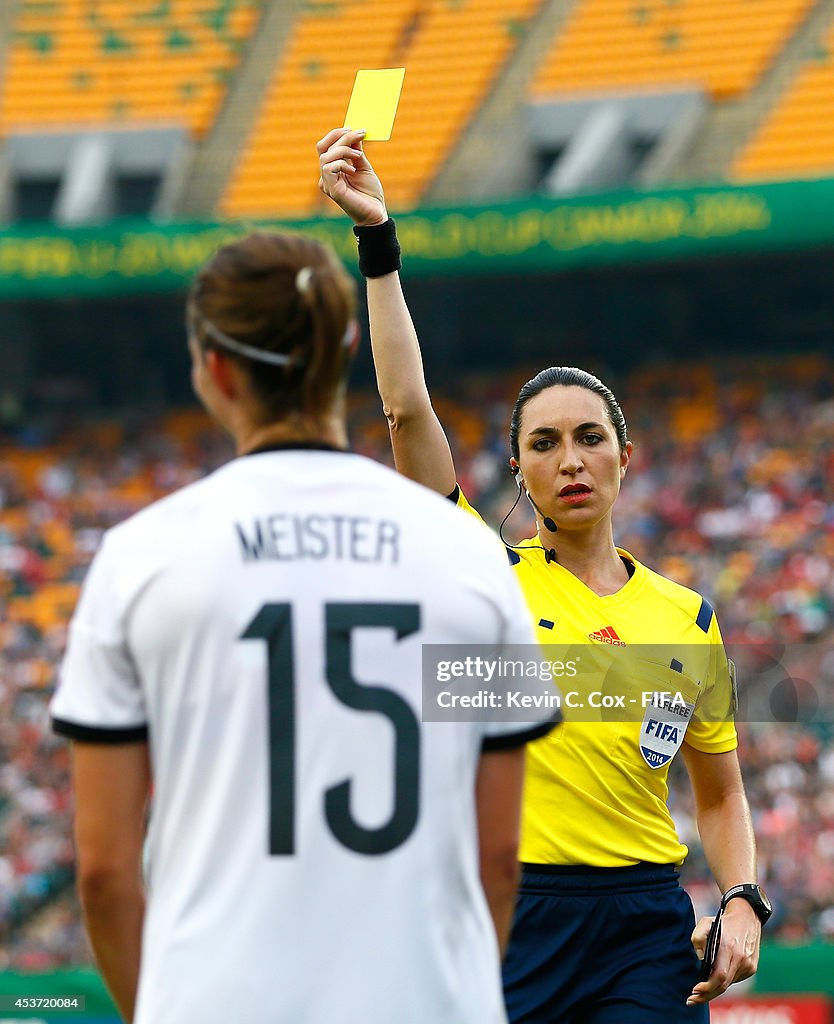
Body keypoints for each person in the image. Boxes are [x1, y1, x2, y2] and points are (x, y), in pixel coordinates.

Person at [317, 126, 771, 1023]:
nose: (570, 459)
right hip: (513, 918)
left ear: (625, 457)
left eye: (589, 437)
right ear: (519, 471)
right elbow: (405, 408)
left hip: (646, 924)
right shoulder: (486, 574)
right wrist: (378, 246)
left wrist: (744, 897)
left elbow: (718, 793)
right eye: (543, 444)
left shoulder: (686, 617)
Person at [49, 230, 559, 1024]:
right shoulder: (474, 558)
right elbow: (500, 857)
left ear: (214, 369)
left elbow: (106, 875)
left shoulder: (139, 558)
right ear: (345, 347)